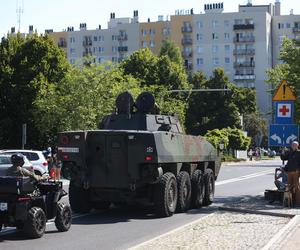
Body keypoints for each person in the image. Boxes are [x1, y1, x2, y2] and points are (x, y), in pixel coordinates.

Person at [281, 141, 300, 205]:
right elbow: (284, 158)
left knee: (296, 186)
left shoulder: (299, 153)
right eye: (292, 145)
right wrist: (283, 152)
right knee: (289, 186)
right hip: (289, 171)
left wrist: (298, 169)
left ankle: (298, 202)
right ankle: (291, 201)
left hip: (296, 172)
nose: (293, 146)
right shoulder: (290, 152)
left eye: (294, 145)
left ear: (297, 146)